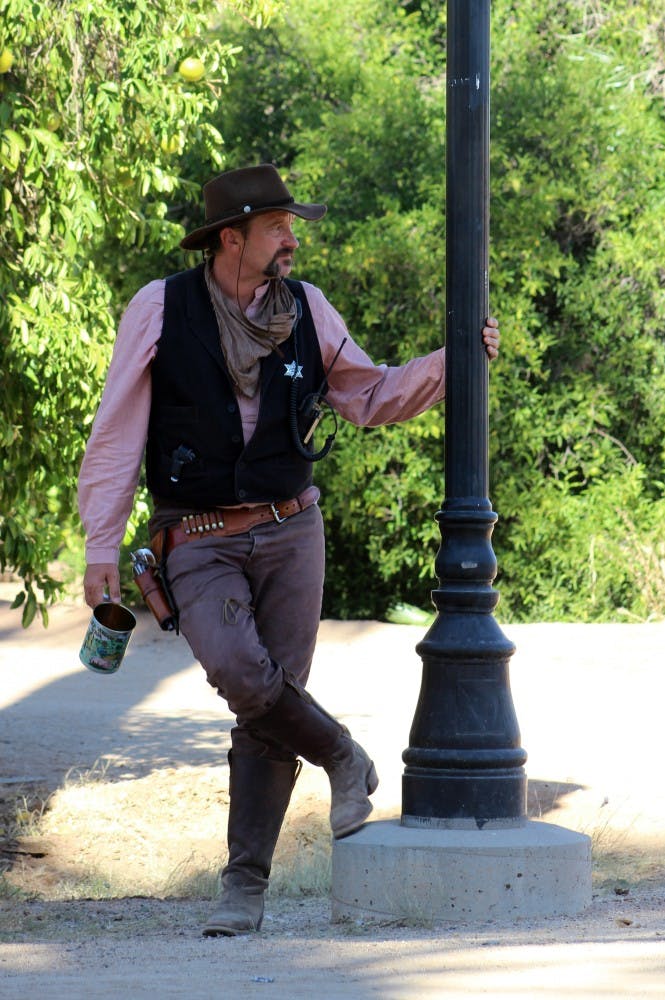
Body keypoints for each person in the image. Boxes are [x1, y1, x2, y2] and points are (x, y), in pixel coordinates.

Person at [78, 163, 500, 937]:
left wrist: (455, 358)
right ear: (229, 238)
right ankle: (344, 755)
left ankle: (242, 891)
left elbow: (367, 395)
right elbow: (116, 432)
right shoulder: (160, 308)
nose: (291, 240)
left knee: (268, 709)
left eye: (290, 226)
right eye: (277, 228)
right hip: (196, 535)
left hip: (290, 527)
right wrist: (101, 542)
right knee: (240, 672)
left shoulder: (305, 307)